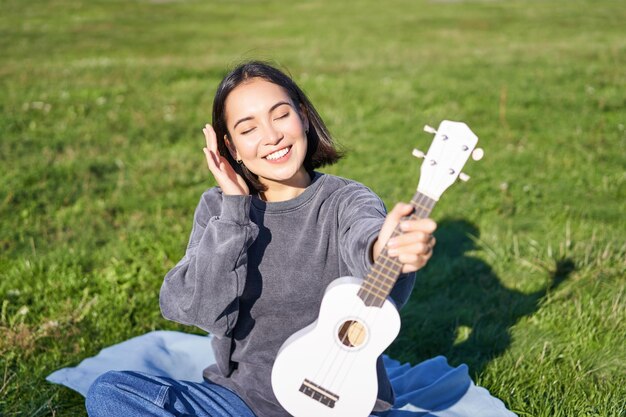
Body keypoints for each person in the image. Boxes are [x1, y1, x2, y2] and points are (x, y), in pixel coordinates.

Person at [85, 61, 437, 417]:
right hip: (243, 401)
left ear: (302, 116)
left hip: (339, 405)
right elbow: (196, 308)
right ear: (231, 147)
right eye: (248, 128)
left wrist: (388, 248)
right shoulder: (219, 208)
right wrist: (235, 210)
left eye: (281, 115)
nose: (271, 137)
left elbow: (367, 239)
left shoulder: (347, 200)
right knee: (109, 392)